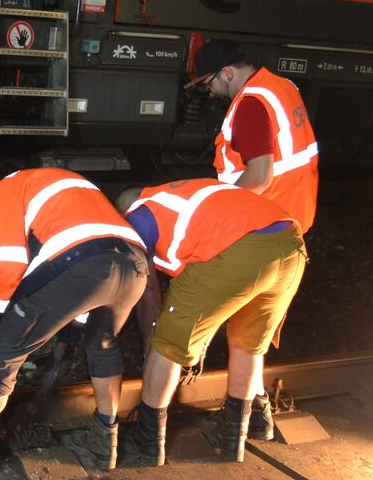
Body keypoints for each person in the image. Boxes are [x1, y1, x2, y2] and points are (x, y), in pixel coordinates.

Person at [0, 167, 148, 480]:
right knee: (103, 343)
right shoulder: (65, 181)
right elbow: (90, 280)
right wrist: (68, 336)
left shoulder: (4, 188)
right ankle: (104, 443)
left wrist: (9, 316)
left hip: (84, 262)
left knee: (3, 351)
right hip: (135, 264)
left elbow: (10, 261)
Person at [181, 37, 320, 439]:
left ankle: (235, 426)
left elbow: (259, 176)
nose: (209, 92)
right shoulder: (281, 86)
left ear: (227, 73)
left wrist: (217, 211)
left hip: (263, 227)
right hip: (290, 223)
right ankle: (257, 414)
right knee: (252, 326)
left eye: (209, 82)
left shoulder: (250, 105)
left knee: (243, 329)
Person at [115, 178, 306, 465]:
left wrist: (154, 344)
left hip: (241, 249)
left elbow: (150, 298)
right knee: (247, 342)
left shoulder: (137, 220)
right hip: (291, 244)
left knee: (167, 342)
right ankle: (234, 439)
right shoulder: (180, 194)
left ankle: (148, 442)